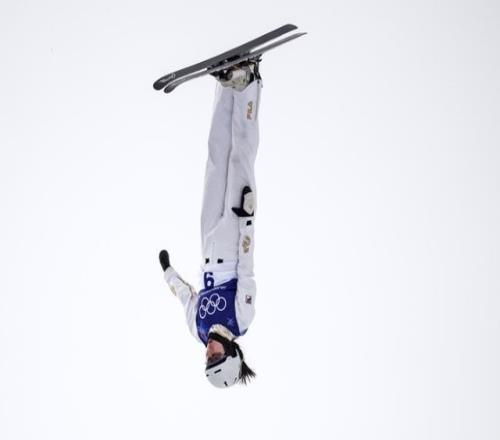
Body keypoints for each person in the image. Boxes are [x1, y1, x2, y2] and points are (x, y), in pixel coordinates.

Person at [159, 60, 262, 388]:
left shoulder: (199, 329)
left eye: (207, 360)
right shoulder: (241, 319)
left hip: (208, 243)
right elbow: (246, 268)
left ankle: (225, 87)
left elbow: (185, 296)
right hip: (233, 237)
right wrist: (246, 221)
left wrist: (168, 273)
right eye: (216, 357)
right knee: (239, 158)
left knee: (216, 161)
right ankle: (246, 85)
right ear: (230, 354)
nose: (209, 353)